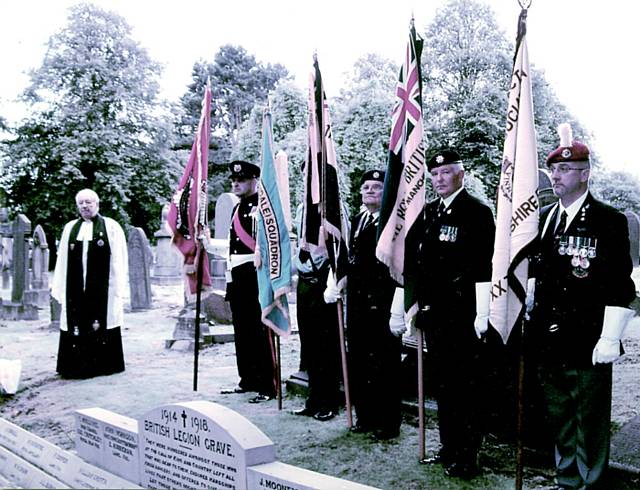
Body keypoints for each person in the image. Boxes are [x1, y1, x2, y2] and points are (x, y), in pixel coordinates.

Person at [528, 123, 636, 489]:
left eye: (564, 170)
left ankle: (591, 483)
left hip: (587, 337)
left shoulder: (608, 220)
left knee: (588, 419)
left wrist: (610, 338)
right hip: (548, 336)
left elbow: (622, 284)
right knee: (560, 415)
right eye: (554, 170)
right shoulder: (546, 219)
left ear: (585, 174)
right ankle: (567, 479)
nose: (555, 177)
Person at [406, 150, 495, 479]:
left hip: (464, 315)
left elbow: (483, 266)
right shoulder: (428, 213)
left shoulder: (477, 213)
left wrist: (482, 312)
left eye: (446, 172)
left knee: (465, 387)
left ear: (461, 174)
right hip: (435, 315)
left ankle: (467, 454)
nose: (439, 179)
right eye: (435, 173)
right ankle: (449, 446)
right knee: (443, 386)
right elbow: (416, 262)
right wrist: (415, 303)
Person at [325, 169, 404, 441]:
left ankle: (388, 422)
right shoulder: (358, 220)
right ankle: (366, 416)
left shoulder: (391, 222)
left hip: (382, 303)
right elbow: (350, 259)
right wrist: (337, 281)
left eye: (377, 187)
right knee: (359, 363)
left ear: (386, 193)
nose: (370, 191)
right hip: (358, 304)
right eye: (366, 187)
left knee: (384, 366)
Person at [51, 189, 128, 379]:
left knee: (103, 318)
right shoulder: (70, 228)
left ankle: (104, 366)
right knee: (75, 319)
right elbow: (62, 261)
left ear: (97, 204)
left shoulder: (111, 227)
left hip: (104, 288)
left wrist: (118, 286)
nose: (85, 206)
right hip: (76, 288)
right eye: (81, 203)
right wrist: (59, 286)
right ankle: (74, 367)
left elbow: (119, 258)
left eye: (88, 202)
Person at [222, 160, 276, 404]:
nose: (236, 184)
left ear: (254, 180)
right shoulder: (237, 208)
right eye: (234, 180)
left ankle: (267, 384)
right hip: (237, 277)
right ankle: (248, 379)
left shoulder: (262, 207)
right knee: (242, 331)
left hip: (255, 275)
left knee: (258, 331)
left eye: (241, 180)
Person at [290, 203, 343, 421]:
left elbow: (341, 243)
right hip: (305, 279)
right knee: (309, 344)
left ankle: (329, 402)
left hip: (325, 278)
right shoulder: (302, 206)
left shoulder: (333, 204)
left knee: (326, 345)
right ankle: (313, 400)